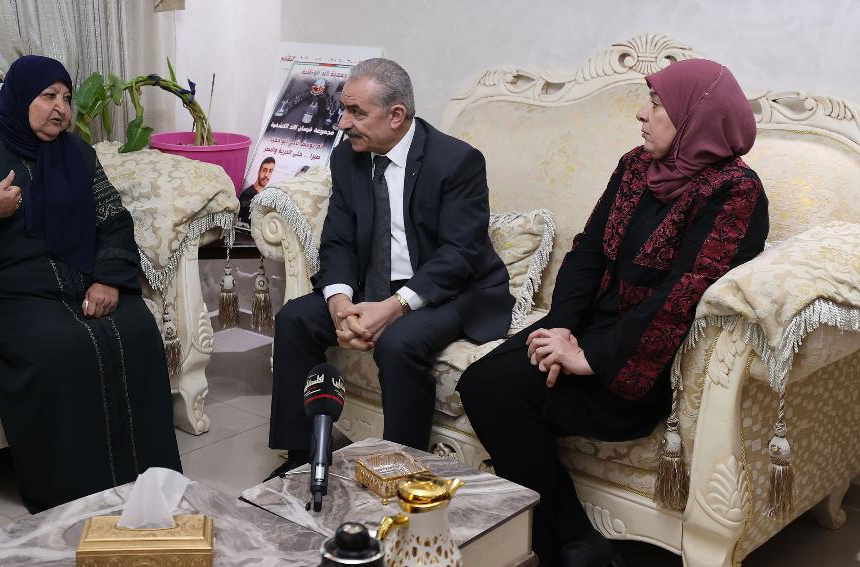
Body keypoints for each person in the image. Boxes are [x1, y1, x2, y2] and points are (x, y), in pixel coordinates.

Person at [457, 59, 769, 567]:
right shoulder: (637, 166)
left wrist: (592, 359)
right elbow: (588, 251)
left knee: (496, 389)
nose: (641, 114)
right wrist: (561, 327)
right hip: (585, 328)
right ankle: (579, 541)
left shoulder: (734, 191)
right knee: (483, 381)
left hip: (642, 358)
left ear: (695, 116)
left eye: (657, 104)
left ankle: (565, 544)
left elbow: (685, 292)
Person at [0, 56, 181, 513]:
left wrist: (108, 279)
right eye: (48, 96)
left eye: (66, 98)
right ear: (21, 96)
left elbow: (114, 220)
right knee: (57, 346)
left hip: (85, 278)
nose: (60, 108)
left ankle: (147, 477)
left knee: (137, 329)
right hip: (19, 290)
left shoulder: (77, 154)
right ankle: (73, 492)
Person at [268, 58, 514, 476]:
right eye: (344, 110)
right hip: (374, 284)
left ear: (396, 115)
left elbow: (459, 254)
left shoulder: (456, 161)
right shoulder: (347, 158)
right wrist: (339, 302)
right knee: (294, 318)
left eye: (356, 112)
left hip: (452, 290)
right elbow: (338, 239)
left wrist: (394, 307)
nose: (343, 123)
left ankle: (403, 468)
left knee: (398, 342)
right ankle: (300, 459)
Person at [239, 156, 275, 223]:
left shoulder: (268, 194)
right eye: (264, 170)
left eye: (270, 171)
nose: (266, 175)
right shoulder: (247, 194)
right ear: (259, 171)